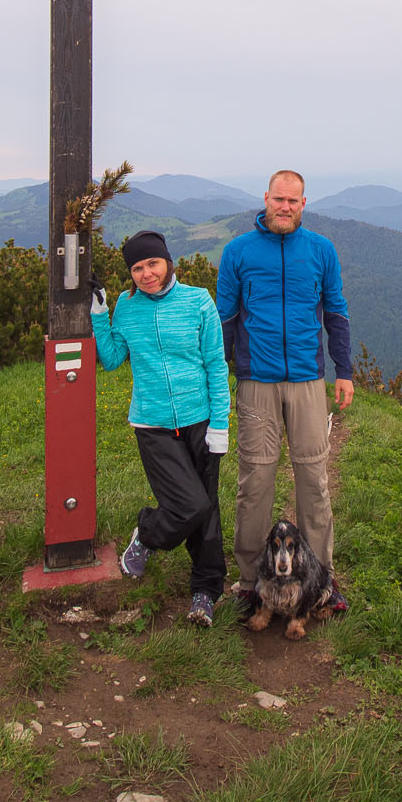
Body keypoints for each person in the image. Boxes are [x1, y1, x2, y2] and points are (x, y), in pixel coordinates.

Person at [214, 169, 354, 610]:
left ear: (304, 204)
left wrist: (344, 370)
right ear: (265, 199)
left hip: (309, 382)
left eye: (293, 201)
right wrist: (220, 374)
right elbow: (226, 320)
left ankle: (322, 583)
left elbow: (336, 312)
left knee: (313, 477)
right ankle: (250, 583)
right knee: (255, 480)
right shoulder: (238, 252)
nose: (285, 208)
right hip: (257, 381)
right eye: (279, 200)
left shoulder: (320, 250)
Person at [89, 230, 231, 627]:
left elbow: (217, 367)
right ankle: (148, 534)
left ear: (168, 262)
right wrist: (100, 315)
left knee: (208, 510)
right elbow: (115, 358)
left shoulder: (197, 301)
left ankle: (205, 591)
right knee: (192, 505)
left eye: (152, 263)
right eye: (137, 268)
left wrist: (220, 423)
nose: (146, 273)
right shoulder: (126, 307)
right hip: (151, 423)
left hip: (200, 419)